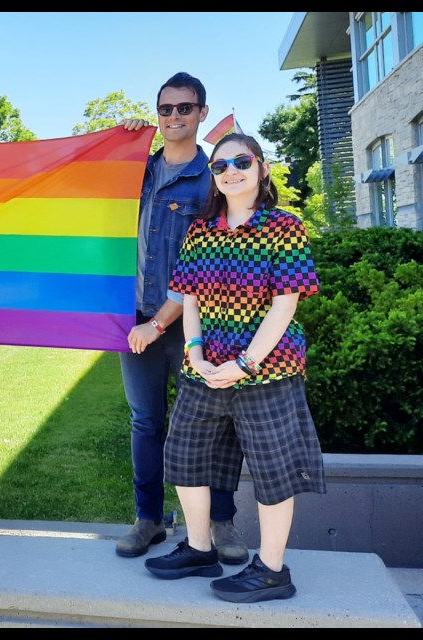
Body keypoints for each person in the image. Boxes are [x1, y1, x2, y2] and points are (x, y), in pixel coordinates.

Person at [144, 133, 326, 603]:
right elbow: (190, 299)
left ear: (261, 167)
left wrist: (245, 364)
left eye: (241, 162)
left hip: (268, 372)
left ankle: (270, 571)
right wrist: (198, 353)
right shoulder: (201, 230)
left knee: (272, 470)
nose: (230, 172)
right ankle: (200, 548)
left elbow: (285, 305)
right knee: (184, 457)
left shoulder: (284, 227)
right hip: (205, 369)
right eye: (220, 166)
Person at [116, 72, 247, 562]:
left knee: (212, 424)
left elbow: (209, 258)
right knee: (145, 422)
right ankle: (148, 519)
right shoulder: (137, 171)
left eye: (184, 108)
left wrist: (160, 323)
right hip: (135, 321)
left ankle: (222, 524)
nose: (174, 117)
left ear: (202, 113)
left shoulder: (214, 176)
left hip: (197, 325)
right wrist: (121, 142)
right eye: (165, 109)